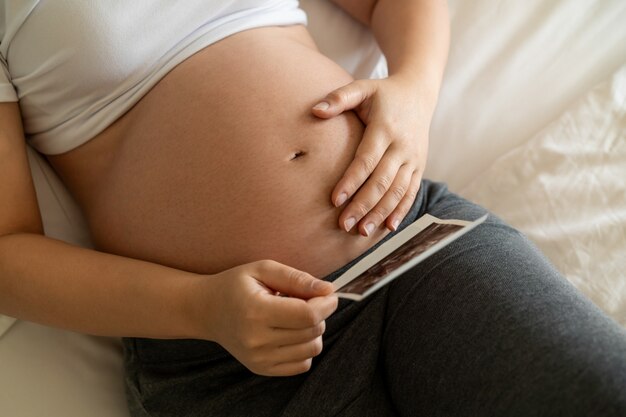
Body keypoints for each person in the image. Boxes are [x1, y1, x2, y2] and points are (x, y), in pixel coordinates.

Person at [1, 1, 625, 416]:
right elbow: (7, 253)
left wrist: (412, 91)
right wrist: (202, 309)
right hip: (228, 360)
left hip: (415, 246)